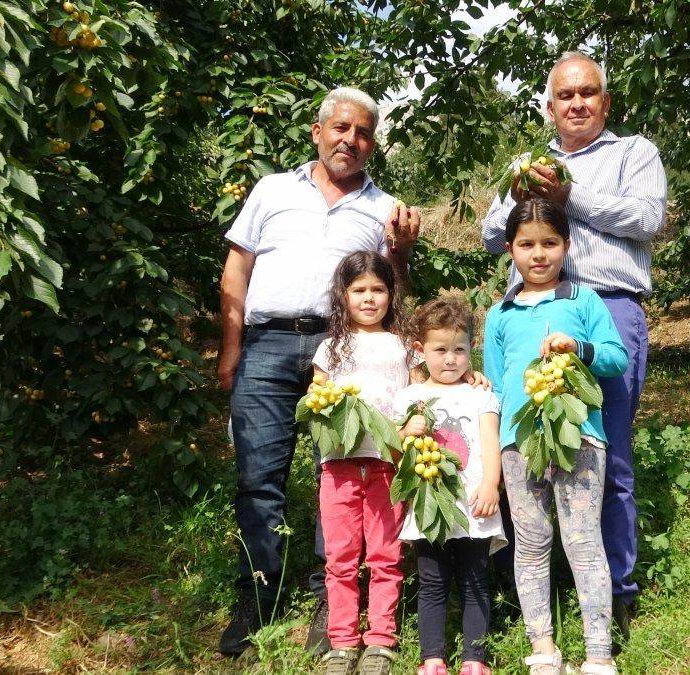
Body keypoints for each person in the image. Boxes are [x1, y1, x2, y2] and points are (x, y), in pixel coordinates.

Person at [218, 86, 421, 658]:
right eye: (341, 128)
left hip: (345, 351)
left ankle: (329, 603)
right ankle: (256, 600)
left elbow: (391, 291)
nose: (350, 141)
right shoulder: (272, 190)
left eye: (363, 134)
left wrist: (402, 251)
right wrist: (230, 348)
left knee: (341, 473)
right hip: (267, 345)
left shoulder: (386, 208)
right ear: (317, 131)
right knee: (259, 478)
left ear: (373, 144)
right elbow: (236, 270)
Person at [481, 51, 667, 643]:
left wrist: (570, 195)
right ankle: (534, 584)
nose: (577, 103)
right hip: (530, 315)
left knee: (605, 453)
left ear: (605, 102)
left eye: (588, 93)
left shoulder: (633, 152)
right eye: (565, 95)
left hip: (606, 308)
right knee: (521, 446)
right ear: (550, 106)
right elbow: (490, 236)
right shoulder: (527, 165)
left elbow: (648, 219)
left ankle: (615, 591)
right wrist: (523, 197)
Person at [483, 198, 627, 675]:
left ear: (566, 245)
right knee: (530, 541)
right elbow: (494, 386)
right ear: (510, 249)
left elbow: (616, 358)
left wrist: (578, 347)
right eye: (526, 244)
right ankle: (542, 647)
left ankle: (599, 651)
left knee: (583, 540)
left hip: (579, 438)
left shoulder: (584, 301)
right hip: (518, 443)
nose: (538, 254)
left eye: (549, 243)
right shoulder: (499, 314)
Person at [311, 251, 417, 675]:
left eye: (378, 289)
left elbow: (424, 390)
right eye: (359, 290)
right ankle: (342, 642)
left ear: (392, 295)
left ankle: (381, 640)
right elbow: (317, 396)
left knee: (385, 556)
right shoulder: (330, 346)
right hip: (338, 466)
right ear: (343, 295)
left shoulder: (403, 345)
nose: (369, 298)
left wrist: (469, 378)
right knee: (339, 557)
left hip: (387, 465)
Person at [395, 296, 506, 675]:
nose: (450, 359)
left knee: (475, 581)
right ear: (420, 349)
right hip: (430, 505)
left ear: (471, 348)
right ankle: (432, 658)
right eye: (440, 350)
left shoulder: (480, 394)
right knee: (432, 581)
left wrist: (491, 484)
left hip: (475, 503)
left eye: (459, 350)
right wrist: (404, 432)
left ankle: (475, 658)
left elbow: (490, 441)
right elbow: (394, 453)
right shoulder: (410, 397)